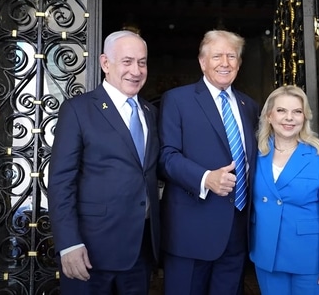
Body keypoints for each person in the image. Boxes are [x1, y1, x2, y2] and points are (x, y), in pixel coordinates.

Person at [47, 30, 160, 294]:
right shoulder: (78, 109)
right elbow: (61, 181)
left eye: (142, 62)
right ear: (105, 63)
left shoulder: (149, 112)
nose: (136, 70)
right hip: (90, 252)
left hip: (140, 250)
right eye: (127, 61)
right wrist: (69, 243)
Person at [158, 29, 260, 295]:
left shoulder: (250, 106)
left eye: (231, 56)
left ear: (239, 63)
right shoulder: (177, 100)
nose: (225, 63)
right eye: (217, 56)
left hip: (237, 235)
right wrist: (205, 178)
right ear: (202, 62)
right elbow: (166, 157)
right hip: (190, 233)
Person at [249, 85, 319, 295]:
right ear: (269, 116)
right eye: (282, 111)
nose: (289, 118)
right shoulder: (253, 154)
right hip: (267, 255)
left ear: (305, 117)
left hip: (310, 259)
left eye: (297, 111)